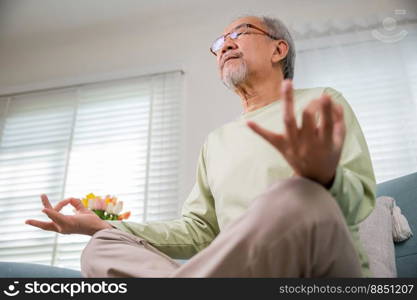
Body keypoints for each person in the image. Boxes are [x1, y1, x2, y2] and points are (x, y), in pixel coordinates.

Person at [26, 15, 376, 278]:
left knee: (298, 195)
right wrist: (107, 226)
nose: (224, 45)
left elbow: (360, 200)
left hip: (315, 264)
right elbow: (197, 230)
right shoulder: (216, 143)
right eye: (220, 42)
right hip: (242, 273)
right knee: (101, 249)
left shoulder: (322, 101)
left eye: (240, 33)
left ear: (278, 49)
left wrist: (324, 177)